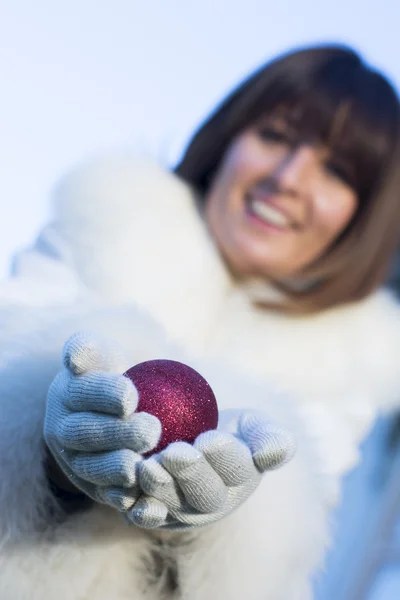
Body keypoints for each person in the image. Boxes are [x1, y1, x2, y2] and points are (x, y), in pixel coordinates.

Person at [1, 43, 400, 600]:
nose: (288, 178)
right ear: (227, 138)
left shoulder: (351, 362)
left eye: (335, 171)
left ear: (363, 217)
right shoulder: (102, 224)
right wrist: (48, 452)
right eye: (275, 137)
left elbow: (279, 570)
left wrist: (222, 526)